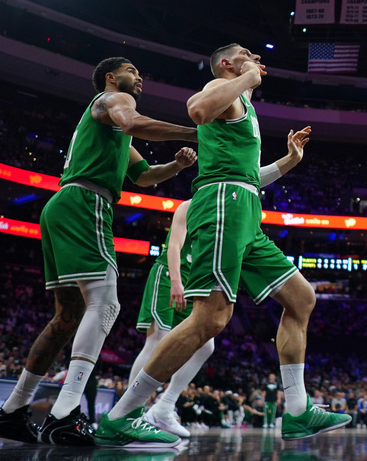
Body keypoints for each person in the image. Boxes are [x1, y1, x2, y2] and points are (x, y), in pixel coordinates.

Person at [96, 44, 350, 447]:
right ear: (228, 64)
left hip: (246, 209)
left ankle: (299, 411)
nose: (256, 58)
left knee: (301, 298)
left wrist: (289, 161)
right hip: (222, 208)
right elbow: (196, 109)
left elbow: (247, 176)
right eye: (246, 54)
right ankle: (122, 415)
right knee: (210, 320)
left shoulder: (243, 109)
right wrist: (248, 77)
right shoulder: (221, 86)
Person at [0, 57, 197, 446]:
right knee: (107, 304)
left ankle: (12, 410)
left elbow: (145, 177)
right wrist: (195, 129)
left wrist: (176, 165)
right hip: (87, 201)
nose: (141, 78)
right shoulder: (112, 100)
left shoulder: (114, 126)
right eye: (134, 71)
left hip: (62, 205)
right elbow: (134, 122)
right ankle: (65, 413)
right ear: (111, 77)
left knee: (67, 317)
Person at [129, 129, 311, 438]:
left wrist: (291, 159)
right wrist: (175, 281)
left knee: (206, 345)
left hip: (195, 278)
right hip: (171, 277)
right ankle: (129, 411)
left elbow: (253, 178)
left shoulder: (228, 198)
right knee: (156, 340)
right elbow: (174, 247)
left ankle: (163, 407)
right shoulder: (191, 204)